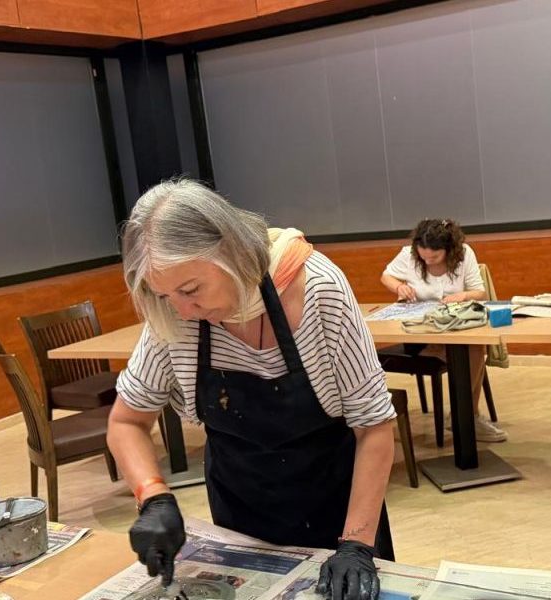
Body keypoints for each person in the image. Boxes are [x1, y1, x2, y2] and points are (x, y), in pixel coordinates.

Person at [108, 179, 396, 600]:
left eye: (191, 290)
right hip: (239, 513)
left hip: (338, 505)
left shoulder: (318, 289)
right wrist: (152, 495)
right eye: (165, 296)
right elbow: (126, 421)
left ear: (231, 252)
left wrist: (356, 544)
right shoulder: (174, 316)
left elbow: (374, 427)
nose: (183, 310)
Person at [379, 218, 505, 442]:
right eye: (423, 257)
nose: (428, 261)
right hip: (420, 334)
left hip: (454, 328)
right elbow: (386, 276)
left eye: (434, 257)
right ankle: (466, 416)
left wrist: (462, 295)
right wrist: (399, 287)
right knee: (471, 352)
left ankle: (464, 415)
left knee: (475, 348)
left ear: (449, 249)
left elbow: (480, 292)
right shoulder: (408, 254)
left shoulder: (464, 254)